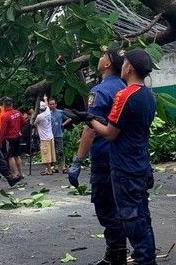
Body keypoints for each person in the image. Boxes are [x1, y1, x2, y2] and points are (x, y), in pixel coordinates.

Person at [78, 48, 157, 265]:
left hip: (124, 165)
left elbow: (111, 133)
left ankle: (143, 259)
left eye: (125, 63)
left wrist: (90, 120)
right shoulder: (148, 95)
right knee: (142, 214)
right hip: (140, 161)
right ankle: (146, 258)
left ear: (129, 67)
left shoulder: (125, 95)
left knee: (130, 217)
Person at [67, 48, 126, 265]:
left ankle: (117, 254)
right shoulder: (125, 88)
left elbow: (91, 127)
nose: (99, 59)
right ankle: (114, 253)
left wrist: (77, 161)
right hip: (122, 156)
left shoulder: (100, 91)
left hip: (103, 156)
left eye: (103, 56)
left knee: (105, 207)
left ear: (108, 64)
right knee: (121, 205)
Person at [0, 97, 27, 179]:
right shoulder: (17, 112)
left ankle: (14, 174)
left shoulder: (5, 116)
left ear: (3, 106)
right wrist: (19, 129)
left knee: (10, 156)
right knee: (17, 155)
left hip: (9, 138)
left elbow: (3, 131)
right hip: (17, 136)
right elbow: (24, 122)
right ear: (12, 104)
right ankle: (21, 173)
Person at [49, 98, 71, 173]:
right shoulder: (49, 113)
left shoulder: (60, 112)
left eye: (53, 104)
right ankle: (55, 166)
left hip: (59, 134)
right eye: (50, 104)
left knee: (60, 151)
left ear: (55, 104)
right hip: (51, 135)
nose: (52, 105)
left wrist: (63, 124)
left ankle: (63, 166)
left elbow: (68, 119)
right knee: (53, 151)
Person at [35, 95, 55, 176]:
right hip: (50, 136)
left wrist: (33, 113)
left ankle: (49, 170)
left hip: (44, 138)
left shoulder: (40, 116)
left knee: (46, 154)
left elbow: (33, 122)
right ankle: (48, 168)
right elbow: (46, 105)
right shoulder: (48, 111)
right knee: (50, 153)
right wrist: (45, 99)